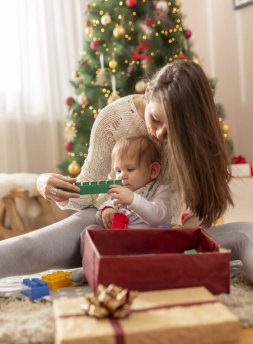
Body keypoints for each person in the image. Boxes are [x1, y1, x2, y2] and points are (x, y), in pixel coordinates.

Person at [1, 59, 253, 282]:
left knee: (246, 234)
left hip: (167, 235)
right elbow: (87, 192)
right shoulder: (114, 119)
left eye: (172, 129)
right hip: (108, 227)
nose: (158, 134)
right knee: (30, 247)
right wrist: (44, 182)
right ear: (149, 92)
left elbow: (203, 209)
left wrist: (181, 236)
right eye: (155, 119)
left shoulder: (197, 137)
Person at [96, 135, 174, 229]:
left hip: (146, 239)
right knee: (91, 228)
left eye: (130, 169)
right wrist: (106, 211)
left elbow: (159, 217)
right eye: (118, 171)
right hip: (120, 238)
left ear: (153, 171)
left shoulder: (160, 190)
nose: (121, 176)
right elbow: (99, 217)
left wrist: (133, 200)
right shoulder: (119, 192)